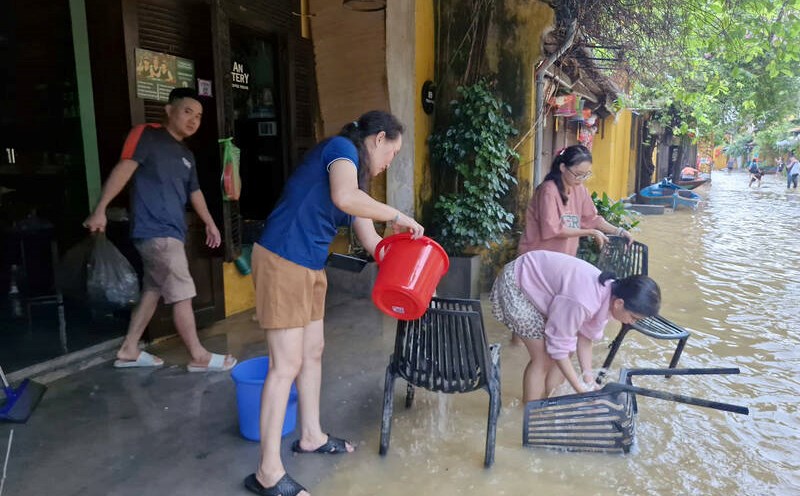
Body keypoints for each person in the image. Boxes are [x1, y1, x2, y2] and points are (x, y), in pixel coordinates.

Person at [244, 111, 424, 496]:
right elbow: (345, 197)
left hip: (309, 263)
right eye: (392, 153)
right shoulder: (340, 149)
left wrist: (414, 267)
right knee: (285, 365)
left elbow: (374, 242)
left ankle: (310, 435)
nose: (390, 162)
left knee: (313, 352)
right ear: (377, 139)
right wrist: (398, 214)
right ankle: (268, 473)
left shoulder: (355, 180)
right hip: (283, 257)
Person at [83, 88, 237, 372]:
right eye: (187, 111)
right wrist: (101, 208)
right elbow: (124, 168)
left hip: (171, 231)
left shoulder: (186, 155)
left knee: (153, 289)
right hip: (155, 230)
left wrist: (210, 222)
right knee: (182, 291)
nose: (193, 120)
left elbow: (196, 192)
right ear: (169, 110)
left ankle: (129, 348)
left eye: (199, 116)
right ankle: (198, 356)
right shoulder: (147, 135)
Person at [491, 250, 661, 401]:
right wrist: (579, 389)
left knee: (567, 351)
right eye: (633, 317)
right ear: (619, 303)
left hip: (541, 282)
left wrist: (589, 380)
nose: (632, 323)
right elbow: (557, 348)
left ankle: (549, 400)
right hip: (516, 281)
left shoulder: (609, 295)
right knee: (542, 358)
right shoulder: (584, 302)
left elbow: (585, 338)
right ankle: (528, 412)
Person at [517, 145, 634, 258]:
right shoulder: (548, 190)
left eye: (585, 175)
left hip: (562, 260)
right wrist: (591, 232)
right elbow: (552, 229)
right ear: (563, 168)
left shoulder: (580, 189)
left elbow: (592, 219)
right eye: (578, 175)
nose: (581, 180)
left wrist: (619, 231)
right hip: (536, 259)